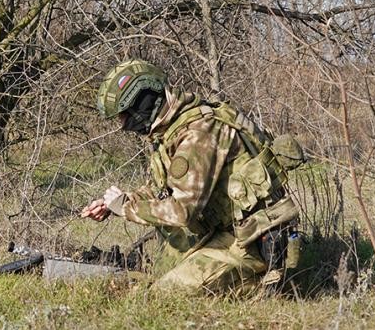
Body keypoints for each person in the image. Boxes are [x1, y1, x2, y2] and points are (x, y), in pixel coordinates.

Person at [81, 59, 302, 294]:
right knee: (156, 273)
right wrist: (115, 204)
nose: (123, 124)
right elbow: (162, 190)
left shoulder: (198, 133)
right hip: (226, 232)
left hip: (252, 241)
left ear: (142, 103)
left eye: (124, 115)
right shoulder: (173, 131)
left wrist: (125, 208)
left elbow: (181, 211)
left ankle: (262, 283)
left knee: (164, 295)